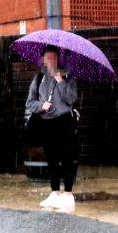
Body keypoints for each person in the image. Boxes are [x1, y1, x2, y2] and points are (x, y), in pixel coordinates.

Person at [25, 46, 79, 213]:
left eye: (54, 58)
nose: (51, 61)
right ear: (43, 60)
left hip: (64, 121)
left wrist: (60, 80)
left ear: (58, 59)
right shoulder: (39, 78)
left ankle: (68, 194)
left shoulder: (68, 76)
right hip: (46, 122)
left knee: (67, 158)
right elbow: (30, 103)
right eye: (48, 58)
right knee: (52, 158)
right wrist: (42, 105)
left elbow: (71, 99)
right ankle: (54, 192)